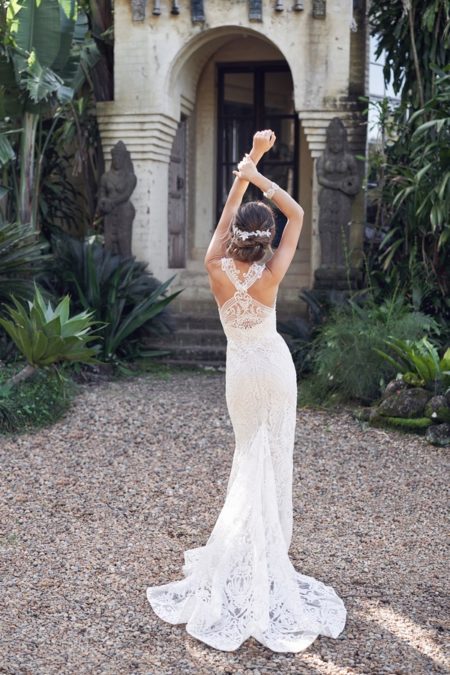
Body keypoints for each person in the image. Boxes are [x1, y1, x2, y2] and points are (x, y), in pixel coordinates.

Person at [146, 130, 347, 652]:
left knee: (246, 457)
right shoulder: (272, 273)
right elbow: (298, 215)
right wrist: (260, 174)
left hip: (240, 372)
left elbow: (223, 221)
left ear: (236, 230)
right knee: (276, 458)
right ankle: (269, 554)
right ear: (267, 233)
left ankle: (245, 553)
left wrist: (247, 172)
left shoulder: (215, 268)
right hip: (275, 368)